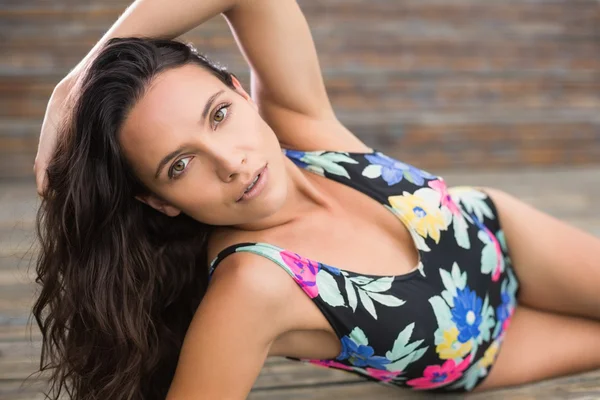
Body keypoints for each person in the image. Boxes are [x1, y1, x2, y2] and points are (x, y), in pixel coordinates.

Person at [32, 0, 600, 399]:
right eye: (180, 165)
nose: (231, 161)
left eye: (220, 116)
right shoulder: (255, 286)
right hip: (489, 346)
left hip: (499, 231)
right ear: (159, 202)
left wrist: (70, 90)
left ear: (236, 91)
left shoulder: (300, 128)